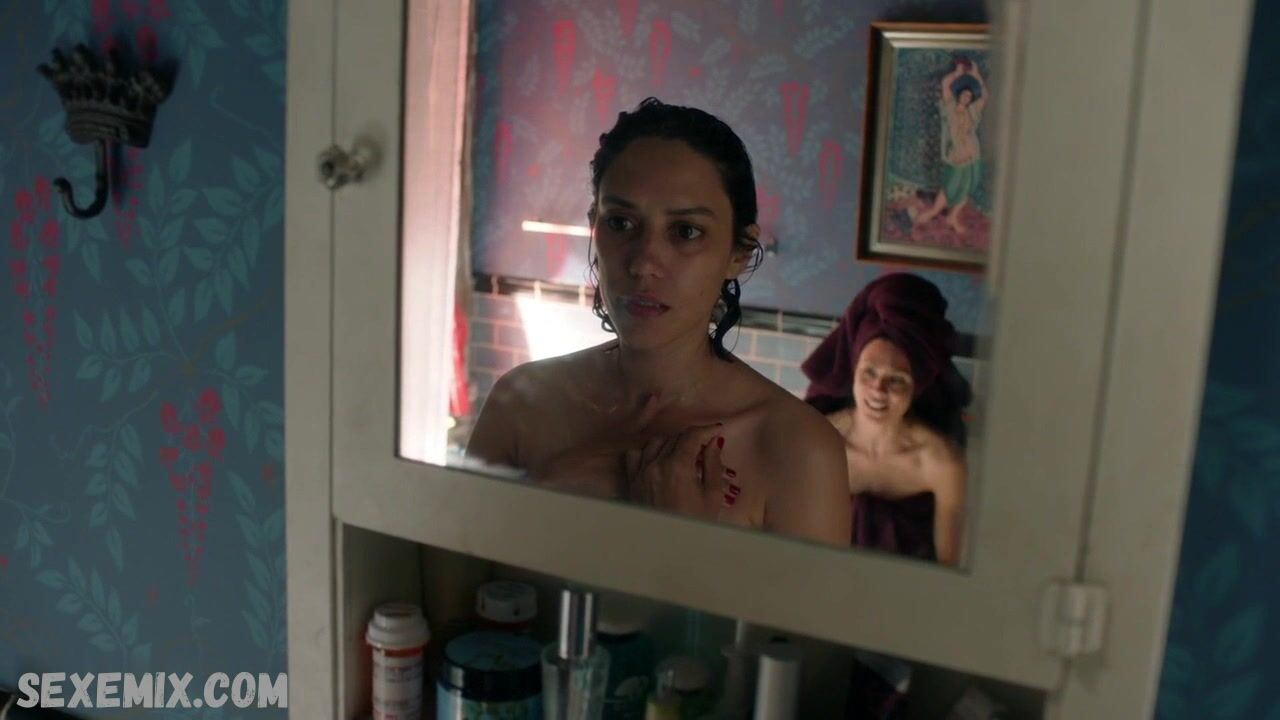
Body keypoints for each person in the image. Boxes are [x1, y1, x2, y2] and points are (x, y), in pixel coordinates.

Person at [467, 98, 851, 546]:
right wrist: (554, 485)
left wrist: (679, 545)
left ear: (738, 254)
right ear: (594, 227)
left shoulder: (798, 450)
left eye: (686, 231)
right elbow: (450, 582)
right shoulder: (518, 405)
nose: (644, 263)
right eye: (621, 223)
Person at [800, 273, 972, 565]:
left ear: (917, 386)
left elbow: (948, 572)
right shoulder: (812, 445)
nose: (878, 390)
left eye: (896, 380)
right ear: (853, 370)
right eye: (869, 372)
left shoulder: (943, 465)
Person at [910, 58, 988, 235]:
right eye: (964, 94)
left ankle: (953, 217)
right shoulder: (950, 107)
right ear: (959, 94)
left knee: (968, 186)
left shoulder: (972, 112)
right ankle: (933, 212)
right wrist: (957, 72)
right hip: (956, 153)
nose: (967, 98)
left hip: (973, 152)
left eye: (969, 96)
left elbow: (984, 96)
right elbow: (945, 84)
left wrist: (976, 75)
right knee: (950, 186)